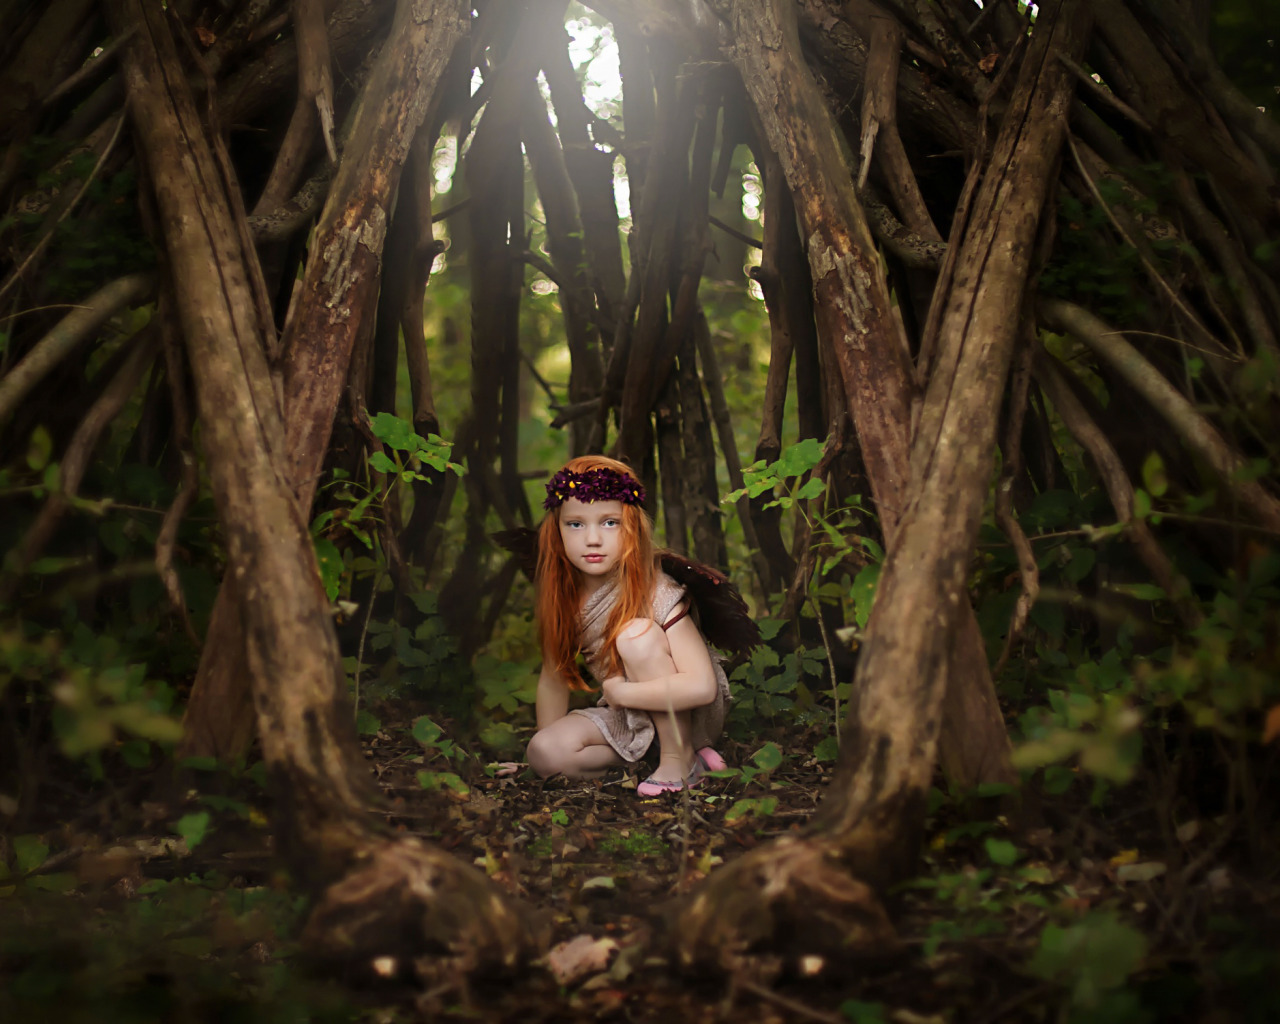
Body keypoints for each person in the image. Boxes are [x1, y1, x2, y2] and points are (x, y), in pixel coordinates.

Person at [525, 455, 730, 795]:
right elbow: (553, 677)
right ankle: (661, 759)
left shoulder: (656, 589)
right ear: (557, 530)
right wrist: (541, 742)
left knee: (637, 636)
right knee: (544, 754)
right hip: (632, 716)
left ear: (632, 527)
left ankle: (681, 760)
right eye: (575, 524)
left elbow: (702, 687)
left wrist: (622, 692)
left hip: (688, 713)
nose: (592, 539)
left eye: (609, 523)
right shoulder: (562, 597)